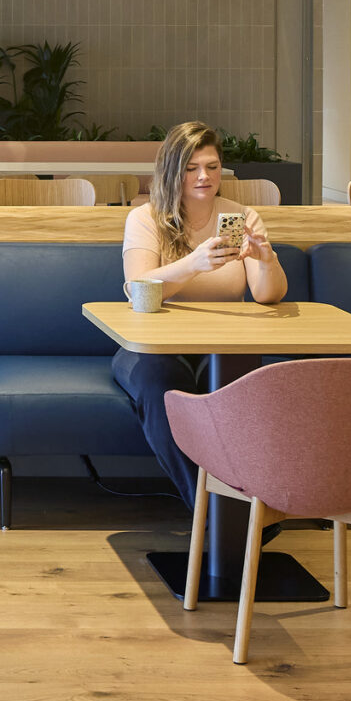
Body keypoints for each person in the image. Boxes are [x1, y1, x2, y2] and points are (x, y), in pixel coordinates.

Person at [112, 122, 286, 505]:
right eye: (191, 168)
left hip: (222, 345)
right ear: (172, 171)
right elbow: (138, 289)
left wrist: (267, 259)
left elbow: (267, 295)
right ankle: (210, 514)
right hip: (152, 348)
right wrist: (194, 264)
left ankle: (244, 512)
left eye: (212, 166)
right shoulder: (145, 218)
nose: (204, 176)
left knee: (235, 387)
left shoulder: (241, 217)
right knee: (162, 388)